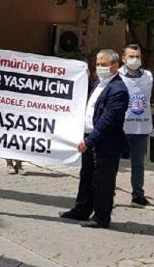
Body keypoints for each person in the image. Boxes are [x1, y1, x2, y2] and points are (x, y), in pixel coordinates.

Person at [60, 50, 130, 228]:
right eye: (98, 64)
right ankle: (81, 210)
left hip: (106, 143)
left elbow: (107, 121)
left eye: (104, 65)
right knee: (87, 177)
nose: (99, 67)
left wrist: (89, 141)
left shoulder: (119, 90)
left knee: (103, 181)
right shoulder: (97, 83)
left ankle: (101, 217)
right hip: (88, 137)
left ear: (115, 66)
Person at [119, 44, 151, 207]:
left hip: (141, 127)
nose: (135, 59)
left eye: (137, 56)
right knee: (111, 162)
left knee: (138, 164)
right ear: (123, 59)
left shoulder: (148, 76)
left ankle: (138, 195)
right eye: (131, 56)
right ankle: (107, 193)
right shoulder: (116, 76)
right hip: (119, 127)